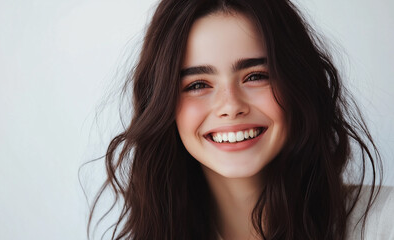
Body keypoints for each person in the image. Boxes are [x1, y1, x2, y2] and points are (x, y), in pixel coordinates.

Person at [88, 0, 393, 239]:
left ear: (299, 84)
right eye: (197, 85)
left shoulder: (384, 223)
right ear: (162, 105)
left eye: (256, 76)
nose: (230, 106)